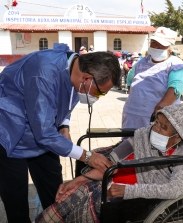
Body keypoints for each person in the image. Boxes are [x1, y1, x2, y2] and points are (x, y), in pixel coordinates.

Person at [0, 43, 121, 223]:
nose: (97, 97)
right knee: (16, 195)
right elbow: (44, 134)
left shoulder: (76, 65)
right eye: (100, 93)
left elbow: (66, 97)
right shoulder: (44, 73)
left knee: (56, 190)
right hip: (10, 130)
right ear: (87, 79)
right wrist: (88, 157)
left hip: (42, 131)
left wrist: (64, 124)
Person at [34, 103, 183, 223]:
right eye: (157, 123)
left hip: (136, 198)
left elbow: (173, 189)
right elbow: (111, 162)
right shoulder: (142, 137)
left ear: (178, 137)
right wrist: (77, 180)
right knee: (75, 192)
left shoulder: (182, 158)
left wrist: (128, 191)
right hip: (110, 181)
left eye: (164, 127)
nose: (156, 129)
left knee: (87, 201)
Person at [123, 27, 183, 129]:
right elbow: (130, 79)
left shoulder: (175, 64)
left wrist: (162, 106)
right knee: (130, 143)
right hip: (132, 115)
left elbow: (176, 86)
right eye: (153, 42)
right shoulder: (142, 62)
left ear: (170, 48)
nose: (156, 46)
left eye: (161, 44)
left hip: (157, 119)